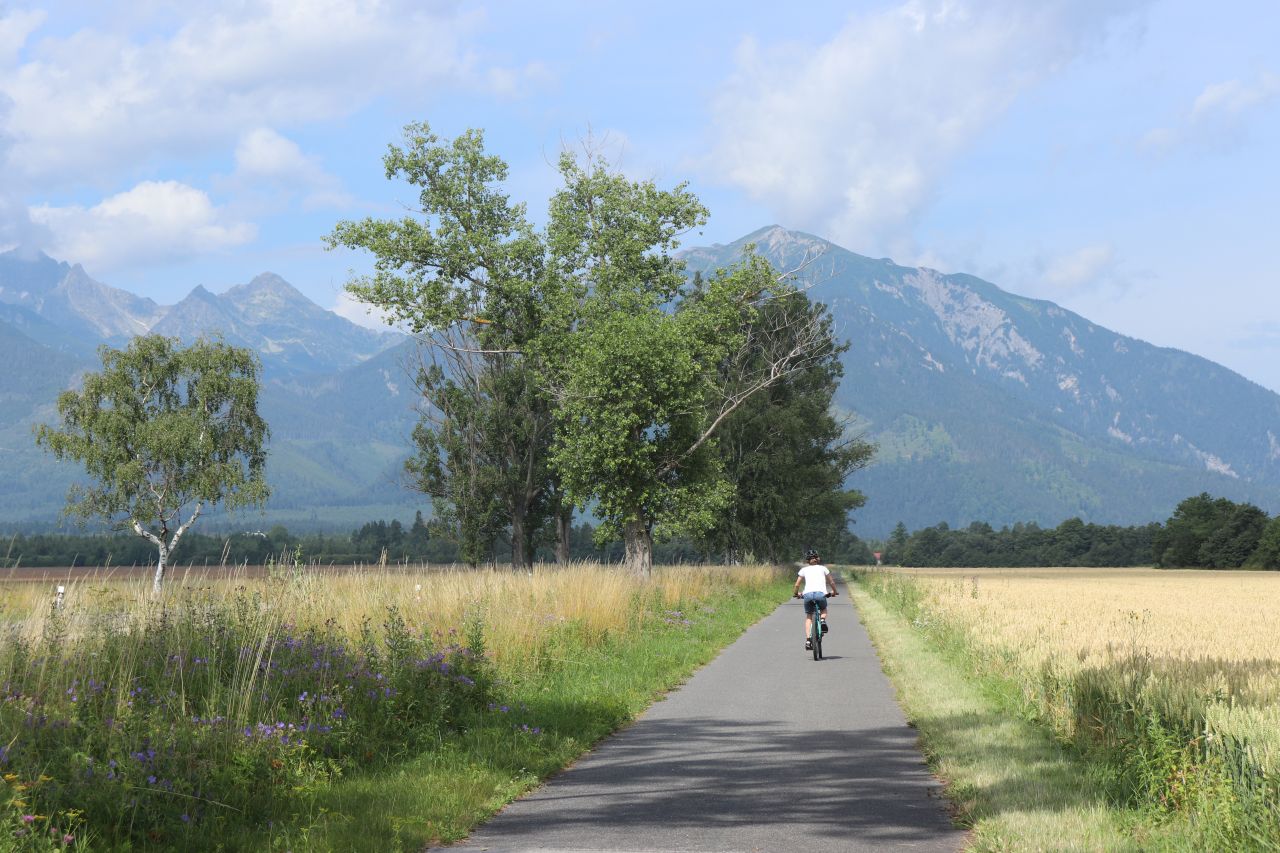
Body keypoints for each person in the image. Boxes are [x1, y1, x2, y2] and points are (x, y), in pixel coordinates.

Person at [793, 548, 837, 650]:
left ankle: (808, 640)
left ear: (807, 560)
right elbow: (831, 582)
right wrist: (834, 592)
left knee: (809, 616)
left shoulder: (803, 570)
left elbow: (797, 585)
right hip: (821, 595)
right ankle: (822, 620)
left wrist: (796, 594)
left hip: (807, 595)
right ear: (817, 559)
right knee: (823, 609)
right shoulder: (823, 568)